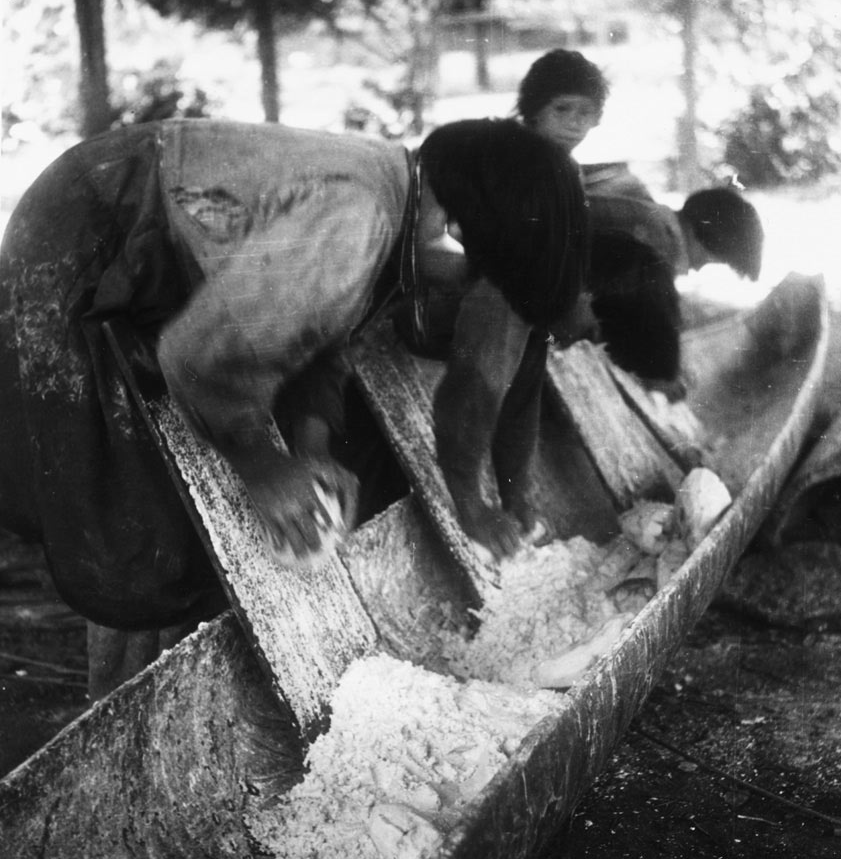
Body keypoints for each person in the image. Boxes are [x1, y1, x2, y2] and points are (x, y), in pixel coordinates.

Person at [0, 117, 589, 697]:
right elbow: (194, 357)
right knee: (129, 522)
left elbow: (324, 337)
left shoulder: (402, 202)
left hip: (144, 238)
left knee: (186, 503)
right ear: (463, 229)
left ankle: (164, 681)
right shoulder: (357, 220)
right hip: (87, 227)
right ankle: (122, 705)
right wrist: (262, 464)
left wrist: (310, 447)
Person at [515, 49, 764, 395]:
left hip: (554, 281)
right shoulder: (517, 155)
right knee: (647, 273)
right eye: (561, 109)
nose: (573, 122)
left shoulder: (565, 166)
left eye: (585, 113)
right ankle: (658, 383)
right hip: (519, 281)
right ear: (533, 107)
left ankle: (654, 378)